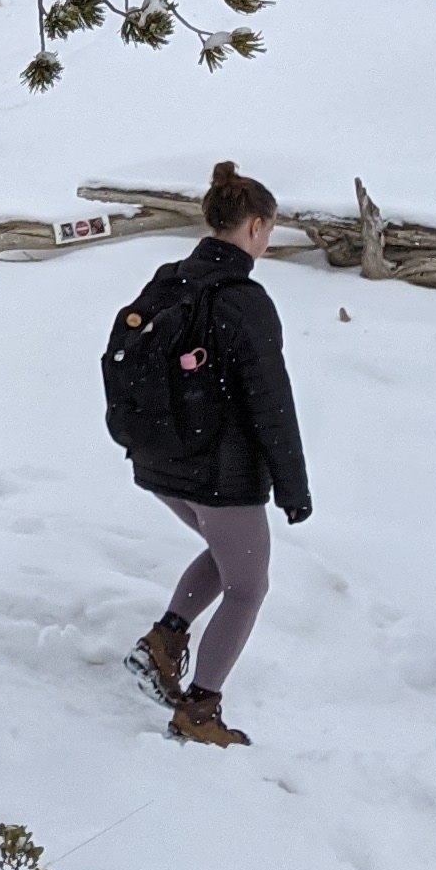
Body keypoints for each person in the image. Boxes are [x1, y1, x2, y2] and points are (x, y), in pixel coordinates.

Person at [123, 161, 313, 749]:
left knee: (226, 553)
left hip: (161, 461)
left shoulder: (168, 279)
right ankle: (198, 709)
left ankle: (164, 641)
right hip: (219, 471)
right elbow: (271, 404)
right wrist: (293, 487)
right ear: (255, 226)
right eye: (270, 227)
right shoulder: (244, 301)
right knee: (248, 587)